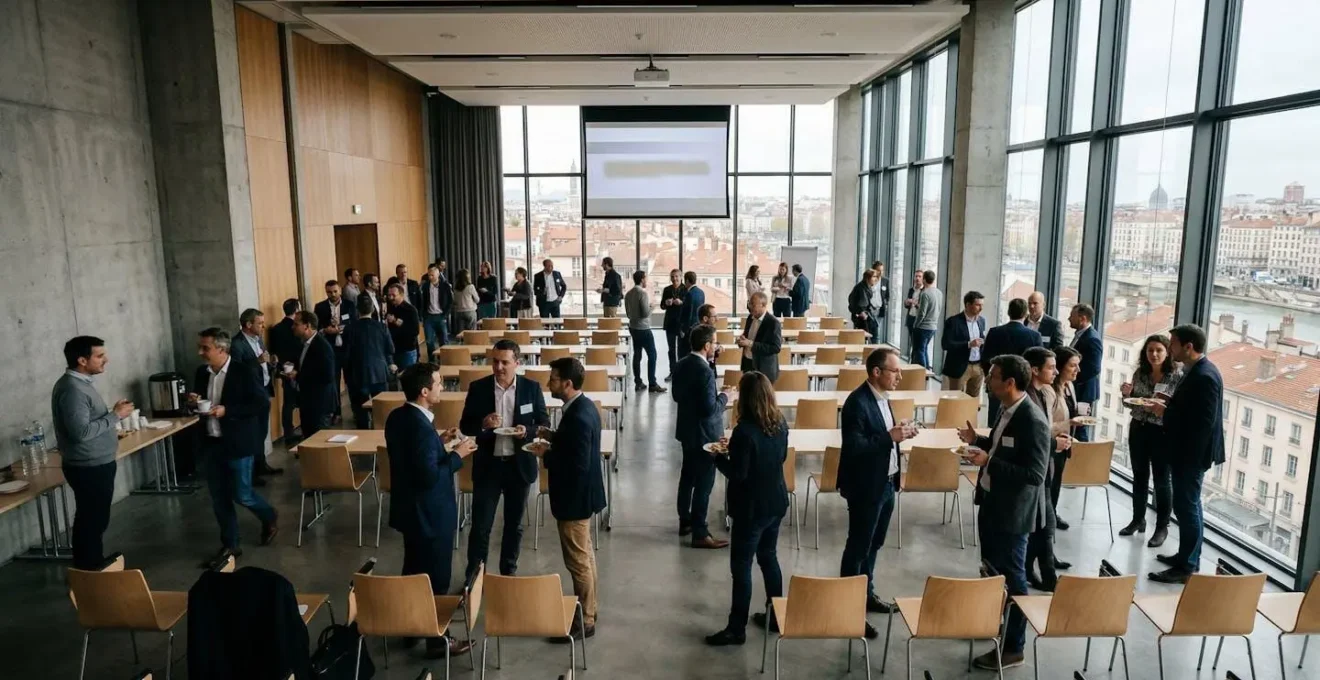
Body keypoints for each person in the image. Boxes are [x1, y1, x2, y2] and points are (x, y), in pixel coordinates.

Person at [958, 355, 1051, 671]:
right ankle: (995, 623)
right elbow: (1002, 447)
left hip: (1013, 513)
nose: (987, 380)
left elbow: (1035, 475)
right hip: (992, 502)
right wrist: (978, 441)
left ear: (1010, 382)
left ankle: (1013, 647)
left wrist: (989, 462)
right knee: (992, 572)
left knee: (1013, 578)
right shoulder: (1006, 409)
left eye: (993, 376)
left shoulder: (1033, 421)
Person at [386, 362, 477, 659]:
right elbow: (428, 476)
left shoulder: (398, 417)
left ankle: (411, 629)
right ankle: (438, 641)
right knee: (436, 579)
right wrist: (457, 455)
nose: (442, 387)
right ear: (424, 391)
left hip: (409, 512)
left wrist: (439, 443)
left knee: (412, 572)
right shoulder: (421, 428)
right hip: (431, 515)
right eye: (438, 383)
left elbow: (413, 460)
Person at [704, 371, 788, 646]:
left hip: (750, 509)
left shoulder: (744, 431)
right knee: (769, 557)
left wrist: (718, 457)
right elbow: (779, 457)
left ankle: (736, 628)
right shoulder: (780, 423)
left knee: (741, 568)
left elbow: (738, 474)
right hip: (775, 502)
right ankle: (776, 615)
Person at [527, 358, 607, 640]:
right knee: (585, 557)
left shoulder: (578, 417)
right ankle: (590, 609)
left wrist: (546, 454)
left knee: (578, 562)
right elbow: (574, 446)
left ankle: (585, 620)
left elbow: (578, 464)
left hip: (574, 499)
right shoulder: (583, 407)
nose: (549, 383)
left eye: (553, 379)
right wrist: (553, 436)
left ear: (568, 384)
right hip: (582, 496)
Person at [838, 348, 914, 638]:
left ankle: (866, 594)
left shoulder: (883, 398)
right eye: (895, 371)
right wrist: (889, 436)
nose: (899, 376)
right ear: (876, 372)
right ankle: (849, 609)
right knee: (858, 547)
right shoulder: (856, 403)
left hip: (887, 483)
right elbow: (854, 448)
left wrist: (898, 432)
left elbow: (881, 437)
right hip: (866, 487)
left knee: (875, 544)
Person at [459, 339, 549, 581]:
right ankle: (474, 577)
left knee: (514, 525)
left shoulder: (531, 388)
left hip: (518, 466)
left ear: (517, 363)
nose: (498, 367)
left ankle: (508, 574)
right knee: (481, 526)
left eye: (504, 362)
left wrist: (527, 431)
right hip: (488, 466)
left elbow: (543, 423)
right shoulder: (479, 388)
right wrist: (483, 423)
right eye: (495, 361)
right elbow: (465, 425)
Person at [190, 328, 278, 563]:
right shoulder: (201, 373)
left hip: (238, 443)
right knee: (219, 499)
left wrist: (228, 410)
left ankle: (269, 515)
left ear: (222, 349)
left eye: (205, 348)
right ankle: (231, 545)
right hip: (211, 443)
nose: (200, 352)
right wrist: (194, 401)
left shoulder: (244, 371)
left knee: (242, 494)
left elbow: (260, 403)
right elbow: (200, 401)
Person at [1146, 324, 1224, 584]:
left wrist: (1165, 412)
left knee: (1187, 508)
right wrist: (1169, 404)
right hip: (1188, 453)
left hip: (1191, 455)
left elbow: (1202, 423)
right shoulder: (1198, 371)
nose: (1170, 349)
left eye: (1174, 344)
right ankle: (1186, 557)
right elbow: (1192, 410)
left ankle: (1187, 566)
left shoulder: (1205, 376)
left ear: (1188, 347)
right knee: (1188, 506)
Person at [52, 336, 134, 570]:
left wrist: (112, 414)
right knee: (91, 520)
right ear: (82, 360)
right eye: (99, 356)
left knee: (95, 519)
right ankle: (89, 571)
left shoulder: (80, 384)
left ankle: (92, 566)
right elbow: (81, 432)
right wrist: (115, 415)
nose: (105, 360)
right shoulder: (74, 390)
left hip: (95, 463)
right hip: (89, 466)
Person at [1119, 334, 1183, 548]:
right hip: (1139, 428)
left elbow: (1177, 408)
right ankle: (1138, 520)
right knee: (1139, 477)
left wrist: (1161, 406)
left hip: (1162, 431)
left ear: (1167, 352)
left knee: (1162, 481)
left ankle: (1162, 527)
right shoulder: (1140, 373)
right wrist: (1125, 395)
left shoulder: (1176, 376)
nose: (1154, 354)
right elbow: (1131, 403)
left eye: (1159, 350)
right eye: (1150, 350)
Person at [672, 324, 731, 549]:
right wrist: (725, 396)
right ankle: (700, 532)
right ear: (707, 345)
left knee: (687, 477)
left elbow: (677, 396)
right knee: (704, 484)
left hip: (687, 430)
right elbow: (709, 409)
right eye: (714, 343)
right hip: (705, 435)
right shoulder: (704, 372)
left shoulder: (681, 364)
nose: (716, 346)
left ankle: (685, 520)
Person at [1021, 347, 1073, 591]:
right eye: (1051, 367)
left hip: (1043, 468)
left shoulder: (1042, 393)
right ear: (1035, 370)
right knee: (1045, 524)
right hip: (1033, 470)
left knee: (1045, 524)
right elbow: (1032, 437)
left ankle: (1041, 573)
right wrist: (1055, 443)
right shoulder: (1029, 398)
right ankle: (1047, 576)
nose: (1056, 371)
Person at [231, 308, 282, 480]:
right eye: (260, 323)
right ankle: (252, 472)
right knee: (252, 434)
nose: (263, 326)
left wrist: (271, 363)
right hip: (250, 395)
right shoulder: (237, 344)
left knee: (262, 432)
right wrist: (257, 361)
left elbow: (264, 363)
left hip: (263, 391)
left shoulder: (258, 339)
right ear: (248, 324)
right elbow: (236, 371)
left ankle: (261, 465)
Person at [981, 297, 1043, 424]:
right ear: (1026, 314)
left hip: (998, 383)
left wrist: (991, 378)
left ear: (1009, 312)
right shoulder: (1034, 336)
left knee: (995, 421)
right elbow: (1038, 362)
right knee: (1019, 422)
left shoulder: (994, 332)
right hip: (1022, 388)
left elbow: (985, 359)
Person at [342, 295, 395, 429]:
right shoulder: (382, 327)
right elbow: (391, 349)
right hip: (379, 372)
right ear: (372, 310)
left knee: (361, 412)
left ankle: (364, 433)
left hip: (357, 374)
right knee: (381, 410)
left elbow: (346, 355)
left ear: (357, 310)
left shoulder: (349, 329)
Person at [290, 311, 335, 439]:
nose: (293, 327)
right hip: (307, 402)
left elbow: (327, 375)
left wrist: (298, 376)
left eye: (296, 324)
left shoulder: (322, 347)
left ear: (307, 326)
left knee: (318, 441)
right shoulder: (303, 344)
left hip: (319, 404)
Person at [1052, 346, 1082, 532]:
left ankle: (1052, 513)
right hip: (1051, 443)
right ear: (1060, 366)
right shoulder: (1049, 391)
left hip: (1064, 443)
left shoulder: (1069, 386)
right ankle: (1047, 517)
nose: (1077, 369)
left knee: (1056, 483)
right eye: (1072, 365)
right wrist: (1069, 422)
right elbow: (1044, 423)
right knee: (1049, 483)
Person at [314, 282, 352, 424]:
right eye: (329, 292)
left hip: (347, 349)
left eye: (335, 291)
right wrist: (325, 330)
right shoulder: (320, 307)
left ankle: (357, 410)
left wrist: (342, 328)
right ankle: (336, 413)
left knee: (351, 381)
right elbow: (316, 327)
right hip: (331, 350)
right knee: (333, 383)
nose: (333, 294)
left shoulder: (349, 305)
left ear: (340, 290)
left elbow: (353, 323)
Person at [940, 291, 988, 398]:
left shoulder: (981, 321)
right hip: (960, 366)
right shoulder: (953, 322)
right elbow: (946, 344)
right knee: (956, 399)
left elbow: (982, 338)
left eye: (982, 305)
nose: (981, 308)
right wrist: (968, 344)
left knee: (973, 400)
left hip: (978, 367)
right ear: (967, 305)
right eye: (978, 305)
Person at [625, 270, 665, 393]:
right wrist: (652, 306)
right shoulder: (642, 293)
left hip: (633, 327)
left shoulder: (628, 294)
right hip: (643, 328)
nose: (646, 280)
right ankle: (652, 383)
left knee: (637, 355)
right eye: (645, 278)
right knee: (652, 355)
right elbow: (645, 313)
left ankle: (638, 382)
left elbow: (628, 314)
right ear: (642, 279)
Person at [1068, 303, 1103, 442]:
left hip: (1083, 391)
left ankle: (1082, 453)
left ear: (1082, 318)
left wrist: (1071, 379)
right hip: (1078, 389)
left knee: (1080, 427)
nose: (1069, 319)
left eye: (1072, 316)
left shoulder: (1092, 339)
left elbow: (1094, 368)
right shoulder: (1081, 335)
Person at [268, 298, 302, 444]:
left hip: (284, 369)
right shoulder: (297, 328)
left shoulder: (276, 329)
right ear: (297, 310)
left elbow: (273, 350)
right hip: (298, 368)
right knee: (302, 400)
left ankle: (288, 432)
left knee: (288, 402)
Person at [738, 292, 782, 384]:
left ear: (763, 305)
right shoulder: (750, 317)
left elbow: (775, 348)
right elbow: (747, 336)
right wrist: (741, 340)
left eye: (753, 305)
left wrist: (750, 343)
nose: (750, 307)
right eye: (749, 303)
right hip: (747, 363)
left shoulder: (773, 323)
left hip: (763, 368)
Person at [385, 283, 421, 368]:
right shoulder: (389, 308)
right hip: (393, 350)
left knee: (407, 374)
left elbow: (415, 331)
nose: (391, 298)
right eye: (389, 295)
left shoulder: (411, 310)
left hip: (407, 350)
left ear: (401, 295)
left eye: (393, 295)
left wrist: (395, 322)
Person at [911, 270, 941, 369]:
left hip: (923, 327)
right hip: (933, 326)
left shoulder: (925, 293)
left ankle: (922, 372)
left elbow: (921, 313)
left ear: (924, 280)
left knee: (919, 351)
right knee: (924, 349)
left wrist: (916, 325)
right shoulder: (939, 292)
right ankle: (927, 370)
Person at [420, 265, 452, 354]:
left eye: (432, 275)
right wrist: (423, 316)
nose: (430, 277)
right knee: (429, 341)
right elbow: (422, 301)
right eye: (429, 275)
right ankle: (431, 359)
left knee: (444, 340)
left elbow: (450, 301)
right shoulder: (425, 286)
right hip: (429, 317)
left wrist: (445, 315)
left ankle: (444, 358)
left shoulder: (445, 285)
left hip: (441, 316)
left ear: (438, 275)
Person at [661, 269, 685, 379]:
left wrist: (682, 303)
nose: (674, 279)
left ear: (681, 277)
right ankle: (672, 371)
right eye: (672, 277)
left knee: (681, 349)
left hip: (681, 323)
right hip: (670, 322)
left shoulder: (685, 289)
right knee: (671, 349)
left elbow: (689, 305)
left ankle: (681, 371)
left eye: (676, 276)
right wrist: (666, 303)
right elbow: (662, 306)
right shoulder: (667, 289)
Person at [677, 271, 704, 354]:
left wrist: (683, 329)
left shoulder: (689, 294)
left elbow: (688, 313)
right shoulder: (701, 292)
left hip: (689, 328)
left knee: (684, 352)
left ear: (687, 281)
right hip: (698, 326)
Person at [847, 270, 877, 338]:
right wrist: (861, 312)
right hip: (862, 317)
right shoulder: (861, 288)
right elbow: (855, 303)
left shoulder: (866, 287)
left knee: (871, 335)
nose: (875, 279)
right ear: (867, 278)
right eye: (874, 277)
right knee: (865, 338)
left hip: (864, 315)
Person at [451, 269, 480, 335]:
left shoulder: (456, 289)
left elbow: (454, 301)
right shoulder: (470, 287)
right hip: (470, 311)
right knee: (471, 333)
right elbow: (477, 300)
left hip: (459, 312)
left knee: (461, 333)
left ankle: (461, 341)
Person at [903, 270, 922, 352]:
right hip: (911, 318)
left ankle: (915, 358)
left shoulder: (924, 290)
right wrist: (907, 302)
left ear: (923, 278)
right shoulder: (911, 290)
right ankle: (913, 357)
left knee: (918, 344)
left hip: (919, 319)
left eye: (919, 276)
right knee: (913, 341)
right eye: (916, 276)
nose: (917, 278)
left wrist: (915, 303)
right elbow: (907, 305)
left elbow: (923, 307)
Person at [870, 261, 889, 331]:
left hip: (880, 310)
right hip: (870, 309)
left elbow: (887, 295)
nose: (880, 272)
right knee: (870, 329)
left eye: (882, 270)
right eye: (878, 270)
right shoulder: (870, 280)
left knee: (877, 329)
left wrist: (886, 304)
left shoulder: (885, 281)